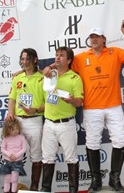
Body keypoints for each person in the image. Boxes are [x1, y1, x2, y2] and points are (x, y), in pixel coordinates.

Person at [43, 22, 124, 193]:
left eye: (97, 37)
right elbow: (62, 63)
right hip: (91, 107)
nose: (94, 40)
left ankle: (114, 178)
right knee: (92, 143)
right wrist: (50, 67)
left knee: (120, 140)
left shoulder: (114, 52)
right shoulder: (80, 57)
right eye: (91, 37)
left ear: (104, 39)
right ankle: (96, 180)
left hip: (113, 106)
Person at [40, 47, 84, 193]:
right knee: (47, 159)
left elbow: (79, 102)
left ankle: (73, 190)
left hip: (66, 124)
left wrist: (71, 100)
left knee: (71, 159)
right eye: (56, 55)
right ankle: (46, 189)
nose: (58, 58)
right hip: (48, 124)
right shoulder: (48, 75)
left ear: (69, 60)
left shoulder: (75, 78)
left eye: (62, 56)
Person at [5, 48, 45, 191]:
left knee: (36, 154)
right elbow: (12, 98)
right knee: (12, 154)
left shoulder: (42, 78)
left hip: (34, 120)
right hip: (18, 122)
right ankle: (11, 185)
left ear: (35, 60)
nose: (24, 62)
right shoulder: (17, 77)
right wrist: (10, 113)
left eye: (28, 59)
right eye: (22, 59)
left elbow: (48, 104)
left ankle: (34, 186)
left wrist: (35, 109)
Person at [0, 118, 27, 193]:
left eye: (17, 129)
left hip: (17, 162)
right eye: (12, 129)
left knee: (14, 179)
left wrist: (16, 156)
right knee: (7, 179)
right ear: (7, 130)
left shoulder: (21, 137)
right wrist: (9, 155)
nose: (15, 131)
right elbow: (3, 149)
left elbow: (24, 149)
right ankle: (6, 191)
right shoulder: (6, 138)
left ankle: (14, 191)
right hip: (7, 161)